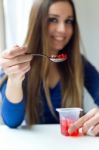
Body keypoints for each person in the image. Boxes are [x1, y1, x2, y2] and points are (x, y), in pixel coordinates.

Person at [0, 0, 99, 136]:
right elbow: (12, 121)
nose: (62, 29)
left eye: (69, 21)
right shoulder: (18, 64)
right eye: (53, 19)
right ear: (37, 22)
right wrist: (15, 79)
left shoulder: (79, 63)